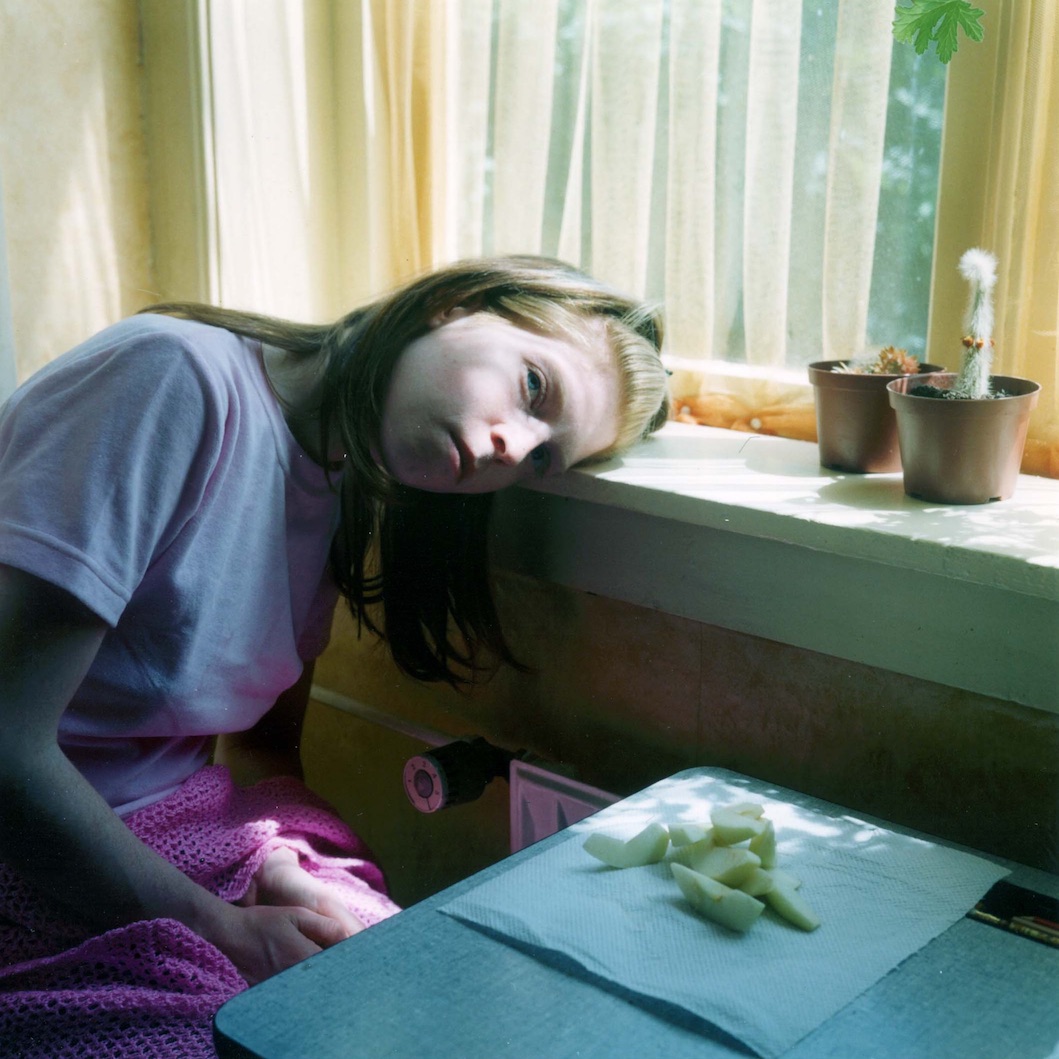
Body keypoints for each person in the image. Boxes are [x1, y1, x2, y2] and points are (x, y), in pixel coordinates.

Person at [0, 255, 669, 1053]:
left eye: (540, 458)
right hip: (31, 851)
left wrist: (276, 866)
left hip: (180, 838)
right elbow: (6, 748)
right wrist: (219, 926)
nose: (511, 448)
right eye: (533, 387)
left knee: (421, 999)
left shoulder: (339, 482)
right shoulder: (172, 380)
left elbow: (262, 749)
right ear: (455, 304)